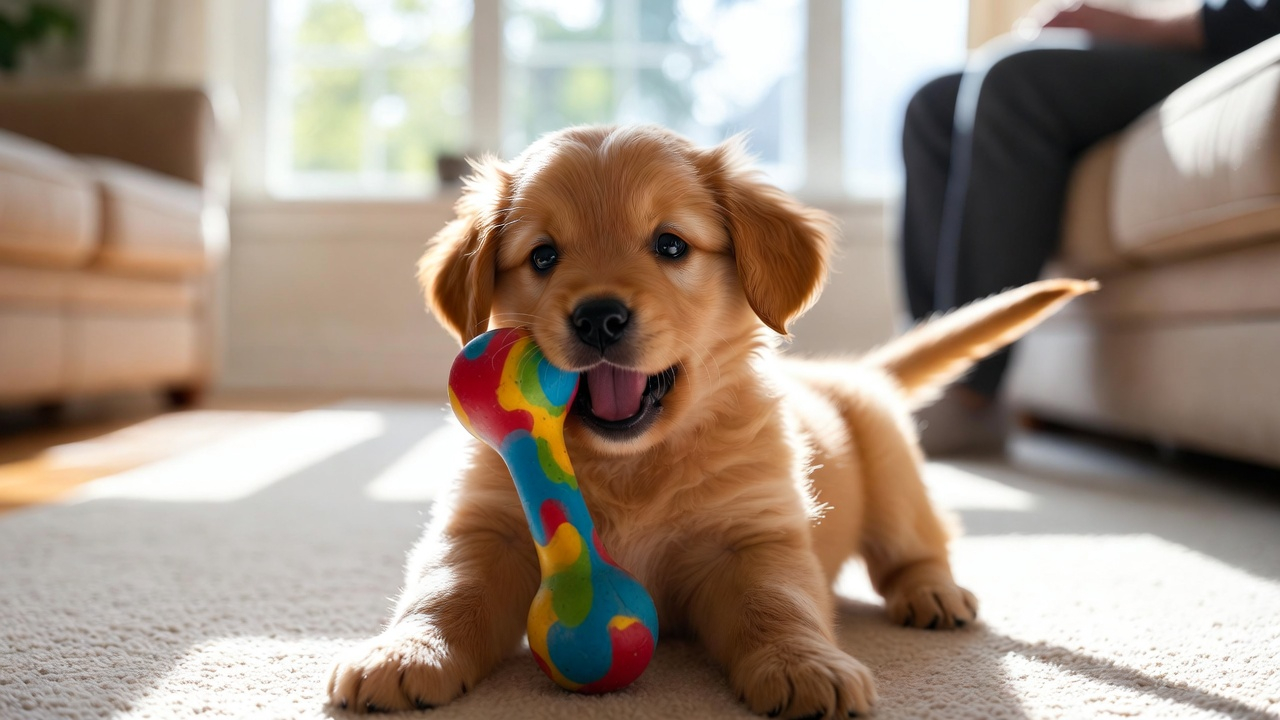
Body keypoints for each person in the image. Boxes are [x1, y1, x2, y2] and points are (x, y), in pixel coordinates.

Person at [900, 0, 1280, 454]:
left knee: (1015, 83)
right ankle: (923, 367)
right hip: (1205, 41)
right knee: (932, 104)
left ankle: (968, 389)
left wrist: (1132, 27)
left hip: (1240, 46)